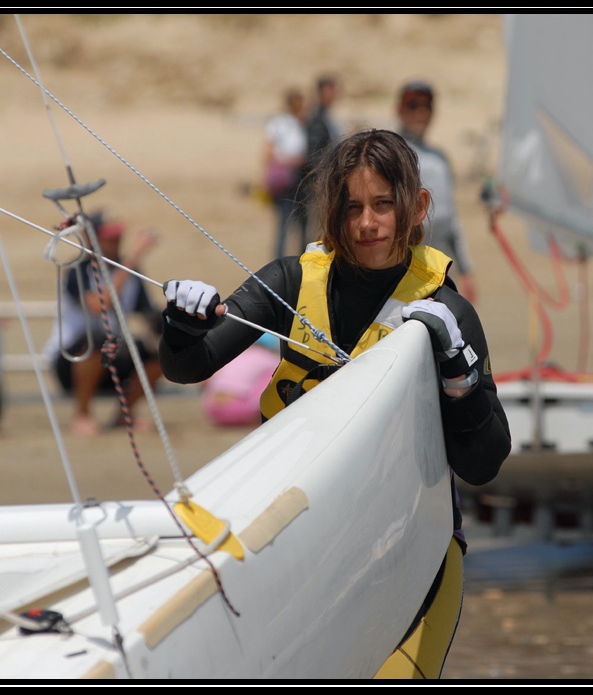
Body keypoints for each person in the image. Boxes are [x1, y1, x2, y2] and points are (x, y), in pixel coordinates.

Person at [158, 129, 510, 678]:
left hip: (415, 564)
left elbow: (484, 462)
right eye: (351, 208)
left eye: (383, 205)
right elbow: (189, 366)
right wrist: (181, 327)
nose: (367, 223)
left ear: (416, 206)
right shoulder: (290, 282)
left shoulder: (446, 311)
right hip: (306, 553)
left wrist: (459, 382)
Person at [42, 210, 163, 436]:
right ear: (91, 239)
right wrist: (134, 256)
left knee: (159, 352)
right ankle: (81, 414)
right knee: (97, 341)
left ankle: (124, 414)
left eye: (118, 236)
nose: (116, 242)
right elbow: (101, 305)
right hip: (71, 360)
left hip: (111, 357)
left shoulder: (131, 273)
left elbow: (149, 314)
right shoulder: (77, 271)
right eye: (109, 237)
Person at [396, 79, 477, 304]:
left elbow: (452, 220)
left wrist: (466, 270)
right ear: (400, 109)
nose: (421, 112)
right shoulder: (391, 153)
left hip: (437, 270)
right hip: (400, 273)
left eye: (427, 106)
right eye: (413, 105)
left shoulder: (440, 158)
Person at [293, 74, 343, 248]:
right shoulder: (316, 119)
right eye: (330, 90)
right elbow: (313, 154)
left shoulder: (326, 117)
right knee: (315, 235)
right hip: (318, 187)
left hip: (325, 184)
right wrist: (326, 177)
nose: (333, 94)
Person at [264, 87, 307, 259]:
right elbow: (268, 151)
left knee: (303, 223)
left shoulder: (304, 123)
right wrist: (290, 161)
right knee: (283, 223)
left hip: (302, 178)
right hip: (284, 178)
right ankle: (278, 262)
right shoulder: (279, 123)